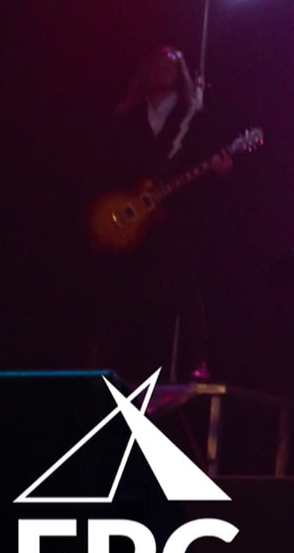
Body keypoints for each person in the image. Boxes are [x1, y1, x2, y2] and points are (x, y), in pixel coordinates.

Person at [89, 46, 234, 385]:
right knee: (122, 292)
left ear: (180, 73)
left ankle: (195, 356)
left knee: (183, 281)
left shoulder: (193, 120)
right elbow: (103, 169)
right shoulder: (126, 118)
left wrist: (220, 172)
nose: (162, 68)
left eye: (171, 63)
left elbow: (206, 172)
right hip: (128, 221)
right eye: (157, 62)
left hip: (172, 220)